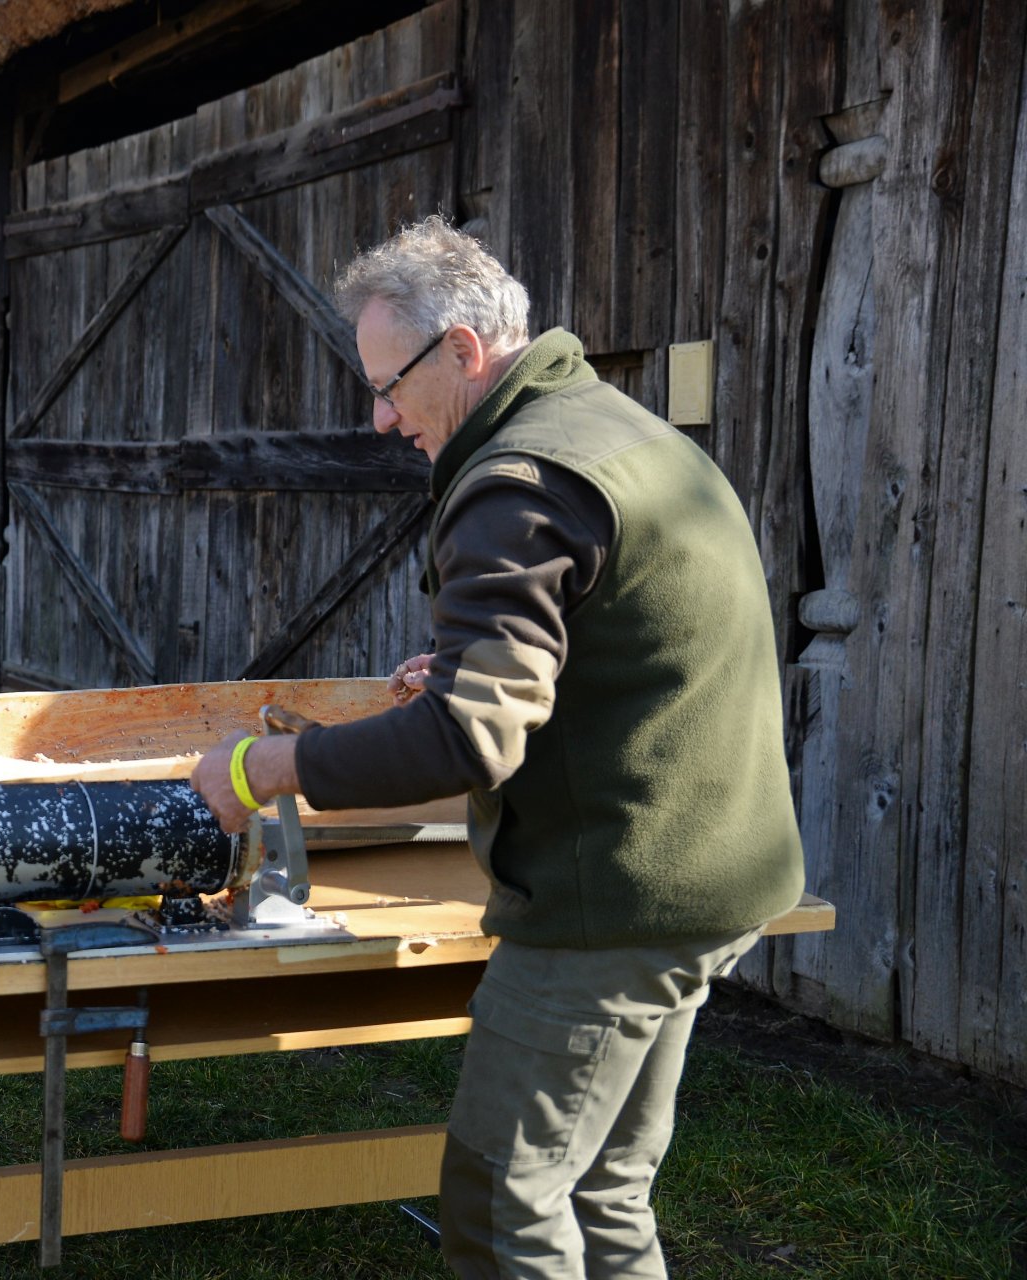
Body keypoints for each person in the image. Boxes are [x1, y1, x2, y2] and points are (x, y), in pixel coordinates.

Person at [191, 217, 805, 1279]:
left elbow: (467, 737)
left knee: (498, 1204)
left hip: (608, 905)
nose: (381, 418)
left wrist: (261, 770)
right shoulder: (621, 431)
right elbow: (630, 644)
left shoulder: (516, 478)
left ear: (465, 351)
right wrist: (502, 677)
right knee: (606, 1189)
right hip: (721, 875)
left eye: (389, 384)